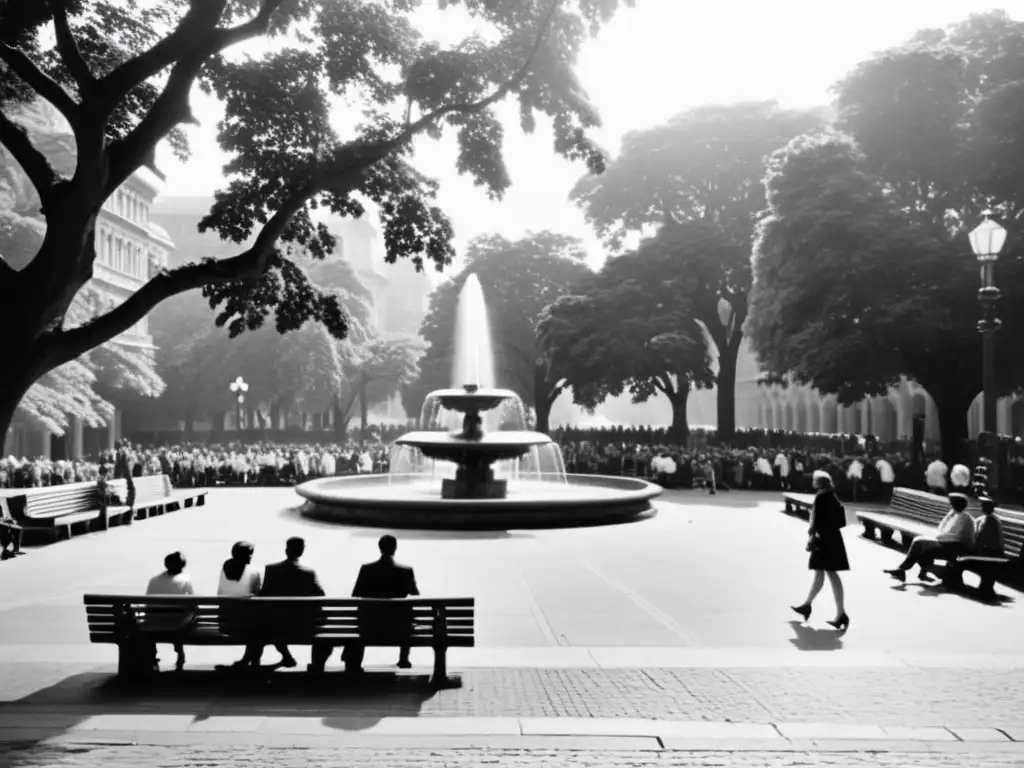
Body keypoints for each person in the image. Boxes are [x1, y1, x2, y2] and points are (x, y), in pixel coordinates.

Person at [311, 535, 419, 674]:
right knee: (407, 616)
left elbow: (356, 594)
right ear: (395, 548)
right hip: (397, 627)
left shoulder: (367, 569)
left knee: (359, 621)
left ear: (379, 548)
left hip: (369, 625)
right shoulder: (406, 570)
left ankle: (352, 661)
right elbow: (414, 593)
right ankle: (403, 658)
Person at [791, 470, 849, 630]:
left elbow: (815, 520)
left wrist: (811, 536)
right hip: (832, 538)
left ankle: (840, 613)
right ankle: (808, 605)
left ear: (818, 483)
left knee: (827, 573)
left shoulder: (821, 496)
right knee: (822, 573)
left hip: (823, 539)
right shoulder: (832, 495)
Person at [260, 537, 325, 669]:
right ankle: (316, 666)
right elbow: (321, 596)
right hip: (305, 627)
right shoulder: (308, 573)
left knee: (268, 622)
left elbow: (263, 596)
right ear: (301, 551)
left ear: (286, 550)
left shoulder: (271, 570)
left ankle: (286, 656)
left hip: (276, 626)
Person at [884, 492, 976, 583]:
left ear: (958, 504)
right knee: (921, 548)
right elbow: (941, 528)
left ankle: (903, 570)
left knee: (919, 542)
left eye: (952, 503)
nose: (951, 505)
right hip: (948, 542)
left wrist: (934, 539)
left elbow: (953, 536)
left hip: (956, 547)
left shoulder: (964, 518)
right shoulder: (956, 515)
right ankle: (907, 571)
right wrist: (949, 515)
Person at [216, 541, 263, 670]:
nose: (251, 557)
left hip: (224, 622)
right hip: (245, 625)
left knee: (253, 623)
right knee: (260, 628)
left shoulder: (225, 568)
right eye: (250, 554)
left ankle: (245, 661)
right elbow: (259, 598)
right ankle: (252, 664)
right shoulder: (254, 572)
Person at [145, 551, 195, 671]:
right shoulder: (186, 580)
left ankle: (152, 654)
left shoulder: (154, 580)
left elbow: (148, 603)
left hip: (155, 622)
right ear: (182, 566)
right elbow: (192, 602)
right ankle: (180, 653)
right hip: (177, 623)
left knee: (151, 617)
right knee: (185, 615)